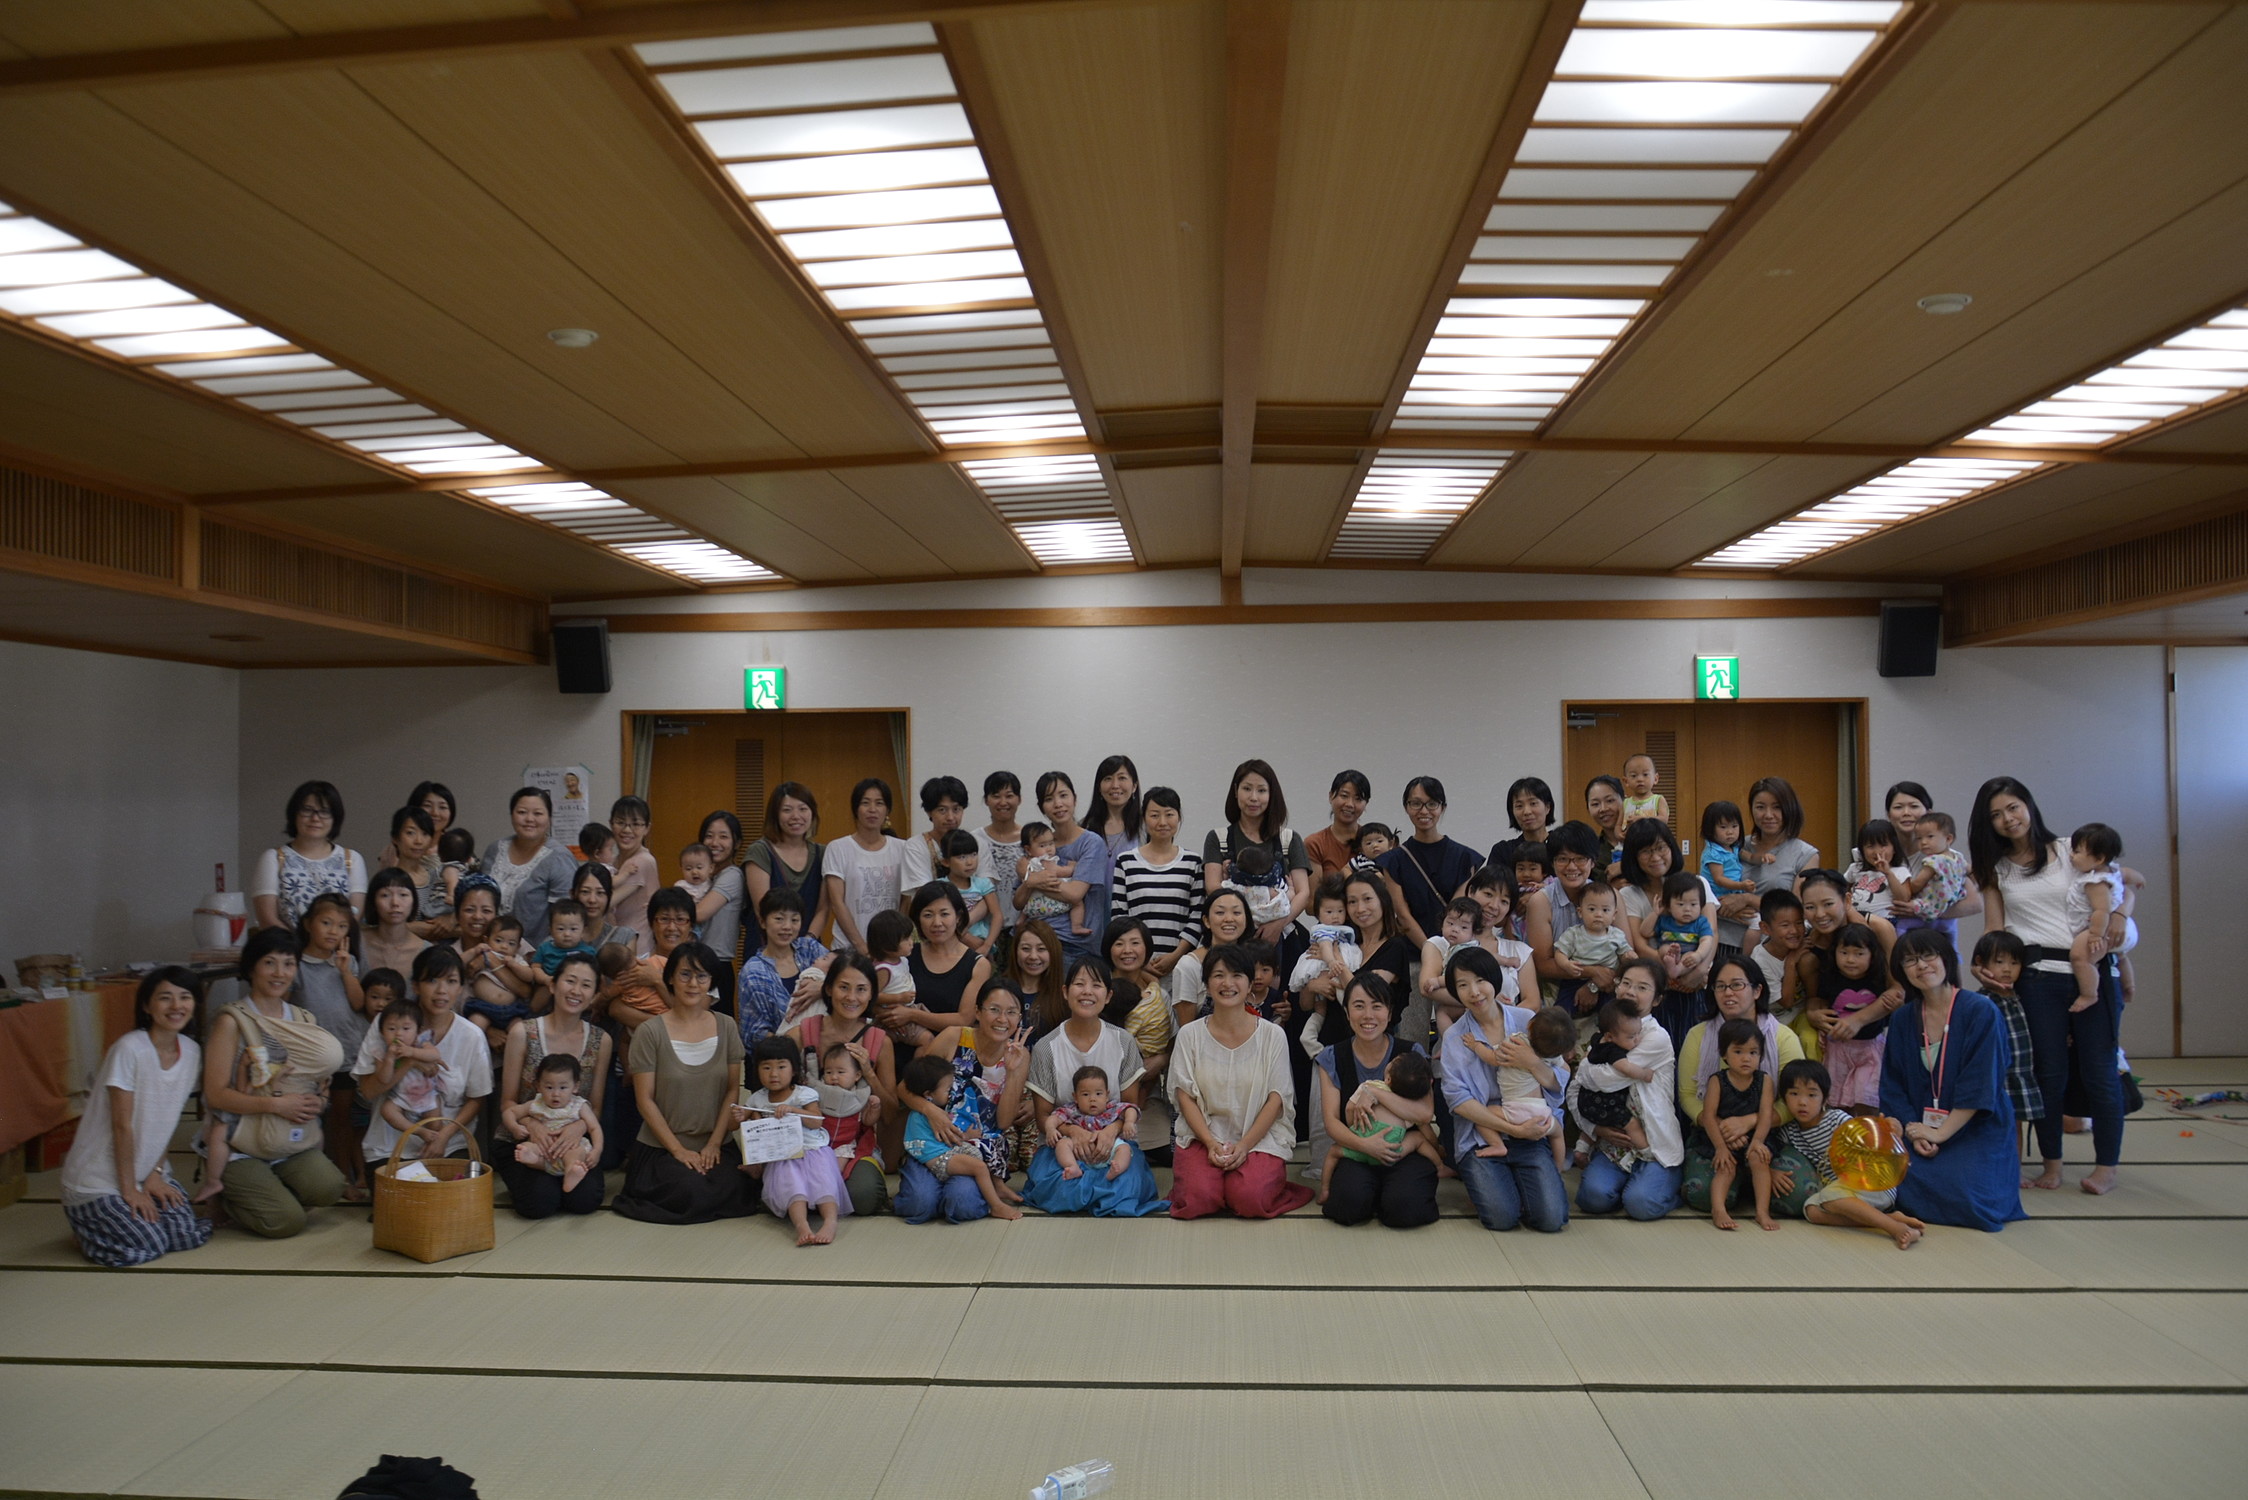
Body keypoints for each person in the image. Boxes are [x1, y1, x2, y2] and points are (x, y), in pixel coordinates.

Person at [199, 927, 348, 1237]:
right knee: (286, 1222)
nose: (280, 973)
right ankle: (230, 1195)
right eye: (269, 963)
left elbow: (318, 1083)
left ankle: (269, 1187)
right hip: (241, 1141)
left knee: (331, 1188)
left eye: (288, 964)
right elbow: (215, 1095)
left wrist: (319, 1101)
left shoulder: (304, 1019)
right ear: (251, 967)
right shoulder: (231, 1021)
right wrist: (276, 1105)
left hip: (290, 1141)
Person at [60, 968, 213, 1267]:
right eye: (165, 998)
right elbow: (122, 1126)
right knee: (149, 1247)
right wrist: (130, 1190)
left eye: (185, 997)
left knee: (185, 1237)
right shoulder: (129, 1049)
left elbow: (168, 1118)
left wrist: (155, 1173)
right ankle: (86, 1232)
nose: (176, 1006)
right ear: (146, 1006)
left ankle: (118, 1223)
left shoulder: (192, 1052)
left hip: (146, 1171)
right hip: (98, 1180)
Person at [1881, 927, 2027, 1231]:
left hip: (1974, 1128)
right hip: (1919, 1127)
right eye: (1910, 961)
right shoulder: (1902, 1018)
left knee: (1970, 1197)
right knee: (1883, 1176)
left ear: (1946, 958)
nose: (1921, 965)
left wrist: (1940, 1133)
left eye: (1928, 955)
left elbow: (1981, 1085)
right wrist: (1916, 1132)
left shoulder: (1981, 1011)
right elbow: (1892, 1086)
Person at [613, 942, 753, 1224]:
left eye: (702, 976)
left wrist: (714, 1144)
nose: (693, 984)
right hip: (662, 1148)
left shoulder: (727, 1026)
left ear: (711, 982)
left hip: (715, 1145)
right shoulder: (650, 1032)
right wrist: (678, 1151)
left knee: (742, 1186)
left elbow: (731, 1090)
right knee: (691, 1190)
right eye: (685, 974)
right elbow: (645, 1100)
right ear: (670, 979)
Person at [1167, 944, 1309, 1219]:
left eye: (1236, 975)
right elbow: (1184, 1095)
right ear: (1207, 984)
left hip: (1259, 1137)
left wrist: (1244, 1146)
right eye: (1218, 975)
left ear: (1250, 984)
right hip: (1203, 1136)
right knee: (1197, 1199)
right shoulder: (1190, 1035)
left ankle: (1243, 1183)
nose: (1227, 983)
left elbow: (1277, 1098)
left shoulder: (1272, 1035)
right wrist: (1210, 1143)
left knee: (1250, 1199)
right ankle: (1217, 1182)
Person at [1024, 957, 1168, 1215]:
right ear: (1066, 992)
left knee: (1126, 1187)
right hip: (1064, 1146)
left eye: (1096, 985)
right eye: (1079, 984)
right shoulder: (1047, 1047)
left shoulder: (1123, 1041)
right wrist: (1074, 1132)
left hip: (1113, 1142)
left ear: (1108, 995)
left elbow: (1130, 1105)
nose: (1087, 992)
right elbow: (1043, 1116)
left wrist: (1110, 1132)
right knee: (1063, 1188)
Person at [1439, 947, 1567, 1233]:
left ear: (1495, 980)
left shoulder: (1526, 1020)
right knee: (1501, 1218)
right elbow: (1459, 1101)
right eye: (1463, 985)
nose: (1474, 992)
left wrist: (1533, 1063)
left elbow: (1560, 1076)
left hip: (1532, 1130)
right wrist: (1514, 1130)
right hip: (1483, 1137)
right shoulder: (1456, 1037)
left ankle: (1525, 1181)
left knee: (1550, 1219)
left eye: (1480, 980)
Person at [1676, 957, 1814, 1219]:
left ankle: (1752, 1174)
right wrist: (1723, 1128)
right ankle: (1748, 1177)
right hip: (1713, 1136)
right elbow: (1687, 1095)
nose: (1728, 993)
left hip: (1769, 1134)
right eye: (1720, 986)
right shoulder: (1698, 1035)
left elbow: (1793, 1100)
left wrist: (1748, 1122)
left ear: (1757, 990)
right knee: (1701, 1194)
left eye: (1737, 985)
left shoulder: (1782, 1037)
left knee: (1800, 1195)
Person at [1314, 974, 1439, 1229]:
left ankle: (1390, 1193)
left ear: (1389, 1013)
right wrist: (1366, 1146)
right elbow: (1331, 1123)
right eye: (1359, 1006)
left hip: (1403, 1148)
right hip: (1358, 1148)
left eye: (1377, 1006)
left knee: (1404, 1208)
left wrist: (1377, 1093)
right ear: (1347, 1013)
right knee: (1348, 1205)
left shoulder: (1411, 1053)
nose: (1368, 1015)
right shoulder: (1332, 1056)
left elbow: (1425, 1113)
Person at [352, 945, 493, 1171]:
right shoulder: (388, 1024)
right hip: (389, 1149)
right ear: (415, 986)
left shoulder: (471, 1036)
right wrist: (410, 1061)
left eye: (451, 981)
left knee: (455, 1190)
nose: (441, 991)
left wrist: (443, 1137)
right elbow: (368, 1091)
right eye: (432, 980)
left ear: (461, 988)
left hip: (449, 1145)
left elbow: (476, 1099)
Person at [495, 951, 611, 1218]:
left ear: (594, 995)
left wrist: (578, 1127)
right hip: (524, 1139)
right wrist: (533, 1126)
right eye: (570, 981)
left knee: (584, 1200)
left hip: (573, 1141)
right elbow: (508, 1102)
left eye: (586, 985)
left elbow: (595, 1107)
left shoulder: (600, 1040)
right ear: (552, 985)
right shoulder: (523, 1032)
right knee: (540, 1202)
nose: (576, 991)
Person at [785, 953, 898, 1215]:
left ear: (871, 994)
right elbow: (772, 1081)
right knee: (785, 1191)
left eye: (861, 989)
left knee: (863, 1197)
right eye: (843, 987)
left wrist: (869, 1073)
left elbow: (891, 1114)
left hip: (853, 1144)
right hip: (806, 1139)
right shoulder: (802, 1033)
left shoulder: (880, 1041)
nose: (851, 997)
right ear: (828, 989)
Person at [1567, 974, 1686, 1220]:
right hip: (1614, 1143)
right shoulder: (1606, 1031)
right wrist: (1594, 1128)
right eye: (1626, 983)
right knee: (1592, 1199)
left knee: (1641, 1205)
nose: (1631, 991)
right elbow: (1576, 1089)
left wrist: (1587, 1067)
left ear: (1657, 999)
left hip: (1653, 1142)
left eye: (1642, 987)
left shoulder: (1655, 1036)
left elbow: (1605, 1080)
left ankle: (1663, 1187)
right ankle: (1629, 1184)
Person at [1775, 1059, 1923, 1249]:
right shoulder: (1789, 1131)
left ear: (1825, 1099)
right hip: (1842, 1194)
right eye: (1794, 1094)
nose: (1802, 1102)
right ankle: (1888, 1218)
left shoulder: (1837, 1120)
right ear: (1784, 1098)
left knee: (1829, 1195)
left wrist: (1889, 1130)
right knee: (1811, 1211)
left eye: (1812, 1095)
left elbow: (1873, 1143)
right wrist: (1773, 1172)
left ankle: (1895, 1228)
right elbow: (1774, 1153)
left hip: (1871, 1183)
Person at [1793, 871, 1901, 1110]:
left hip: (1878, 1030)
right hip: (1839, 1039)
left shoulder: (1879, 929)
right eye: (1810, 907)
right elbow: (1815, 998)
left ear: (1847, 900)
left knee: (1868, 1099)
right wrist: (1813, 1013)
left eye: (1828, 904)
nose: (1820, 914)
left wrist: (1858, 1020)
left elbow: (1898, 991)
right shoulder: (1812, 950)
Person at [918, 977, 1034, 1197]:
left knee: (962, 1199)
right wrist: (932, 1111)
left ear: (1019, 1018)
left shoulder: (1020, 1055)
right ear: (978, 1012)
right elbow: (907, 1088)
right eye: (994, 1009)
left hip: (980, 1151)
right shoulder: (954, 1037)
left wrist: (1011, 1072)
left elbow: (1004, 1122)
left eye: (1011, 1012)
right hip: (936, 1138)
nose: (1002, 1019)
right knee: (920, 1200)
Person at [738, 1035, 850, 1244]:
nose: (774, 1074)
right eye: (766, 1068)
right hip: (783, 1156)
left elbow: (816, 1121)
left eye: (781, 1067)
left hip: (813, 1151)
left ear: (794, 1070)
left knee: (823, 1183)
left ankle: (830, 1221)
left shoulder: (804, 1094)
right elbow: (742, 1126)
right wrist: (739, 1115)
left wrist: (793, 1110)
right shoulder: (757, 1099)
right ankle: (802, 1226)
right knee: (792, 1187)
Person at [898, 1053, 1024, 1221]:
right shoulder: (922, 1116)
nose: (951, 1093)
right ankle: (996, 1205)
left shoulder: (940, 1107)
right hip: (940, 1159)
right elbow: (945, 1138)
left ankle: (998, 1186)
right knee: (979, 1167)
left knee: (988, 1146)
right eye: (947, 1090)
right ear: (929, 1094)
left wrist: (968, 1136)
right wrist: (966, 1136)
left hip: (947, 1152)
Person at [1201, 759, 1310, 945]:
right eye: (1247, 789)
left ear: (1271, 794)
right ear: (1235, 791)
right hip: (1231, 937)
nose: (1253, 797)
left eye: (1261, 790)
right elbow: (1213, 888)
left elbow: (1303, 892)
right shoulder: (1218, 838)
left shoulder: (1289, 839)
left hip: (1280, 938)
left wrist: (1278, 924)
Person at [1716, 777, 1821, 953]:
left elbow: (1796, 908)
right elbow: (1709, 887)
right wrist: (1725, 908)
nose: (1768, 815)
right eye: (1760, 807)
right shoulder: (1735, 845)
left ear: (1789, 809)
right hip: (1722, 939)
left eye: (1777, 807)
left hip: (1770, 948)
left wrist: (1747, 899)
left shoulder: (1805, 854)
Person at [1375, 775, 1481, 947]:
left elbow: (1457, 914)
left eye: (1432, 804)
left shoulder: (1465, 858)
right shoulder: (1393, 861)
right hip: (1411, 952)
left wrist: (1444, 952)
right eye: (1416, 803)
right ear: (1406, 807)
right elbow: (1402, 915)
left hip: (1454, 950)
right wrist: (1431, 951)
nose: (1424, 811)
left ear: (1443, 808)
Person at [1320, 1050, 1444, 1196]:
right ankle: (1440, 1166)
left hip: (1362, 1144)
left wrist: (1355, 1128)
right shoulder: (1408, 1104)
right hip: (1392, 1152)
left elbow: (1349, 1109)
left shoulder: (1371, 1086)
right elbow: (1426, 1131)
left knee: (1333, 1152)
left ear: (1388, 1079)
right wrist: (1436, 1146)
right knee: (1418, 1139)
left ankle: (1325, 1189)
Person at [249, 780, 368, 930]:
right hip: (286, 943)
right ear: (294, 814)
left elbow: (355, 916)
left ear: (335, 818)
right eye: (307, 810)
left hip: (338, 944)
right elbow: (267, 919)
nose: (315, 818)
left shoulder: (351, 859)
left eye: (324, 812)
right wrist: (301, 944)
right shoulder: (273, 858)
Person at [1114, 786, 1203, 985]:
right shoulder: (1126, 861)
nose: (1162, 822)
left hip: (1181, 966)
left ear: (1179, 817)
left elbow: (1197, 915)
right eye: (1154, 815)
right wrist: (1141, 960)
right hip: (1135, 967)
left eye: (1169, 814)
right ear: (1144, 818)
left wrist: (1176, 955)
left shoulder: (1193, 862)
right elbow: (1119, 916)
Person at [1017, 771, 1109, 961]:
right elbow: (1019, 901)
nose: (1058, 804)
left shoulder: (1091, 843)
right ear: (1042, 807)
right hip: (1034, 941)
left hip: (1074, 946)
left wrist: (1035, 879)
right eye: (1049, 799)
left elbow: (1074, 894)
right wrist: (1029, 880)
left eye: (1063, 795)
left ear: (1074, 799)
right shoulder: (1038, 845)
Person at [1698, 1017, 1778, 1231]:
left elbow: (1766, 1115)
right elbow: (1708, 1116)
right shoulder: (1717, 1080)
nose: (1746, 1058)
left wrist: (1758, 1141)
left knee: (1759, 1159)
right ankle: (1718, 1210)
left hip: (1755, 1134)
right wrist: (1721, 1147)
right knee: (1726, 1167)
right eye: (1738, 1051)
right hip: (1721, 1136)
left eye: (1753, 1052)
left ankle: (1762, 1212)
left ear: (1761, 1055)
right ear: (1724, 1054)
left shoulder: (1764, 1080)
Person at [480, 787, 578, 948]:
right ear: (512, 815)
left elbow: (566, 918)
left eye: (538, 813)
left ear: (549, 818)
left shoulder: (559, 858)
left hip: (536, 953)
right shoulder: (495, 849)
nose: (529, 819)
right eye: (522, 812)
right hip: (488, 946)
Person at [1969, 930, 2045, 1133]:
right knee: (1997, 1125)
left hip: (2021, 1072)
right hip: (1998, 1075)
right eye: (1999, 962)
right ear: (1981, 962)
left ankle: (2016, 1156)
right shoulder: (1982, 1002)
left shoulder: (2021, 997)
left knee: (2015, 1123)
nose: (2007, 969)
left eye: (2014, 963)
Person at [738, 887, 831, 1047]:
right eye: (779, 919)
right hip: (780, 1055)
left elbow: (845, 975)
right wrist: (793, 1046)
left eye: (794, 920)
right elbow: (753, 1033)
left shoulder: (809, 949)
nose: (787, 926)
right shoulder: (753, 972)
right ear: (763, 922)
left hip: (825, 1044)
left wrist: (823, 988)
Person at [825, 779, 908, 953]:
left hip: (889, 950)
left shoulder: (902, 848)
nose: (872, 809)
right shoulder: (838, 848)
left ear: (887, 810)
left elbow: (906, 899)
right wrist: (862, 947)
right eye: (865, 803)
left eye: (879, 803)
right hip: (847, 950)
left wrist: (893, 940)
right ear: (855, 808)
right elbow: (837, 903)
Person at [504, 1055, 601, 1193]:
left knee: (576, 1153)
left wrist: (597, 1150)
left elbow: (594, 1128)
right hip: (544, 1151)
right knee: (525, 1148)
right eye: (549, 1087)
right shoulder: (536, 1104)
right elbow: (510, 1112)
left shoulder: (579, 1105)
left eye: (563, 1087)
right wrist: (514, 1127)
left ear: (575, 1087)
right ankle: (534, 1161)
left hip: (570, 1148)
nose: (556, 1094)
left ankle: (571, 1173)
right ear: (538, 1086)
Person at [744, 782, 828, 942]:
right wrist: (785, 948)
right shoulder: (760, 851)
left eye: (803, 809)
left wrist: (807, 942)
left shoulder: (823, 854)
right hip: (766, 944)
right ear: (775, 815)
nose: (796, 816)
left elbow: (823, 909)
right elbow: (762, 909)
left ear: (812, 813)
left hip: (808, 945)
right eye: (787, 810)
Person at [2065, 822, 2126, 1010]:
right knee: (2121, 956)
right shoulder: (2111, 871)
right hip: (2099, 926)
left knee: (2079, 958)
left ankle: (2089, 994)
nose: (2071, 855)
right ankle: (2129, 986)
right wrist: (2139, 879)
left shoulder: (2095, 882)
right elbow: (2129, 874)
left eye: (2077, 852)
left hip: (2096, 927)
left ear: (2099, 859)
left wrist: (2095, 935)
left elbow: (2101, 910)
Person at [1886, 810, 1972, 941]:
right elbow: (1971, 872)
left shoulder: (1933, 861)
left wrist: (1904, 885)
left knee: (1902, 924)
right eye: (1919, 838)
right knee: (1951, 937)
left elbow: (1917, 885)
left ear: (1948, 839)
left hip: (1929, 907)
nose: (1923, 842)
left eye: (1930, 837)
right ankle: (1954, 952)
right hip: (1949, 908)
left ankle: (1899, 947)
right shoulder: (1958, 857)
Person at [1082, 753, 1144, 934]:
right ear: (1099, 787)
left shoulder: (1145, 828)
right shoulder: (1085, 829)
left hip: (1133, 920)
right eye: (1108, 779)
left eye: (1122, 778)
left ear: (1134, 786)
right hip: (1090, 920)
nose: (1115, 785)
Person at [1553, 881, 1632, 1014]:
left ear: (1614, 915)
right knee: (1560, 1012)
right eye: (1591, 909)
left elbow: (1625, 954)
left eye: (1605, 910)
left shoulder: (1617, 935)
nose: (1598, 914)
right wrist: (1566, 964)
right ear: (1580, 912)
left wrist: (1629, 956)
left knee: (1613, 1013)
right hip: (1575, 981)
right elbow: (1560, 953)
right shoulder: (1573, 933)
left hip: (1609, 983)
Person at [1048, 1063, 1136, 1180]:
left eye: (1098, 1094)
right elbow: (1054, 1117)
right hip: (1078, 1152)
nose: (1092, 1099)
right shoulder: (1071, 1110)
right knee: (1062, 1145)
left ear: (1107, 1095)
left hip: (1109, 1150)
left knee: (1124, 1148)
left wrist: (1129, 1122)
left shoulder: (1111, 1108)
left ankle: (1117, 1168)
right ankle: (1073, 1167)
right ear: (1075, 1097)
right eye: (1085, 1094)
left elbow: (1130, 1109)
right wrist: (1050, 1129)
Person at [691, 810, 750, 985]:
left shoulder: (732, 875)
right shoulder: (704, 877)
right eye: (709, 836)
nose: (714, 843)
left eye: (723, 837)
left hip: (716, 963)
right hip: (696, 960)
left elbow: (700, 913)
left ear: (736, 843)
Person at [973, 771, 1026, 939]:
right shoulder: (974, 840)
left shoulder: (1031, 839)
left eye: (1009, 796)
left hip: (1023, 928)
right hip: (982, 929)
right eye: (996, 796)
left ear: (1019, 799)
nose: (1003, 802)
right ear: (986, 800)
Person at [898, 775, 971, 894]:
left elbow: (986, 891)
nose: (950, 817)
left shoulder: (975, 843)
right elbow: (925, 893)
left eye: (956, 809)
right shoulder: (916, 846)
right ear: (929, 812)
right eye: (942, 810)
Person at [606, 796, 659, 953]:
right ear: (611, 824)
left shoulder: (642, 861)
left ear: (647, 828)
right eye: (620, 822)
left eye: (635, 824)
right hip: (616, 943)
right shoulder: (614, 861)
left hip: (637, 947)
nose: (627, 830)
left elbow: (603, 904)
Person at [362, 867, 431, 987]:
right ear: (373, 901)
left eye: (403, 895)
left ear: (414, 901)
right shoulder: (356, 942)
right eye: (385, 895)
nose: (395, 903)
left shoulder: (426, 952)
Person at [1646, 872, 1717, 988]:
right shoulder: (1665, 921)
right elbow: (1645, 932)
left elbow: (1707, 940)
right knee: (1664, 949)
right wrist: (1655, 914)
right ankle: (1674, 961)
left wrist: (1698, 955)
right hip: (1669, 959)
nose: (1687, 909)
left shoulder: (1701, 922)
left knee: (1689, 956)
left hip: (1689, 958)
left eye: (1693, 904)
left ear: (1701, 905)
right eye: (1680, 904)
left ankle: (1676, 969)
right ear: (1668, 906)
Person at [937, 829, 1001, 954]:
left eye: (974, 854)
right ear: (946, 862)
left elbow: (997, 915)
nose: (970, 862)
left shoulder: (983, 884)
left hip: (981, 944)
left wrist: (987, 945)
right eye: (962, 857)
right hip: (950, 946)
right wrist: (965, 937)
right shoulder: (940, 886)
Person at [1015, 821, 1085, 935]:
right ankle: (1076, 926)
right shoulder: (1046, 861)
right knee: (1078, 903)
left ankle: (1021, 919)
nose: (1049, 849)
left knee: (1027, 898)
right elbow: (1061, 872)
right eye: (1042, 846)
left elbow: (1023, 878)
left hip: (1032, 907)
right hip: (1050, 904)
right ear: (1028, 849)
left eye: (1051, 843)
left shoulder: (1025, 863)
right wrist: (1072, 867)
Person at [1306, 769, 1372, 878]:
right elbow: (1315, 889)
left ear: (1366, 804)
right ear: (1331, 796)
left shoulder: (1374, 840)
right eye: (1344, 796)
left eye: (1358, 799)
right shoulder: (1315, 844)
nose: (1350, 804)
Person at [1844, 818, 1907, 920]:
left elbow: (1904, 899)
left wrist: (1888, 873)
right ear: (1862, 850)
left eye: (1883, 845)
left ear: (1894, 847)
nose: (1877, 851)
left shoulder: (1900, 871)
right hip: (1855, 919)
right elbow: (1841, 887)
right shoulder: (1855, 868)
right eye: (1870, 846)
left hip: (1885, 920)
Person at [570, 861, 636, 954]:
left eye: (600, 893)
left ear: (609, 896)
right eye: (585, 892)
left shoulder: (624, 937)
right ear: (573, 894)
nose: (592, 900)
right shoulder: (560, 938)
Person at [1490, 776, 1557, 868]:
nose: (1527, 812)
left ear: (1547, 807)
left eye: (1533, 803)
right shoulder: (1503, 851)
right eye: (1519, 806)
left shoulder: (1561, 847)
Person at [1699, 800, 1755, 899]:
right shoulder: (1713, 853)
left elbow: (1750, 857)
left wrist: (1763, 857)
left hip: (1733, 893)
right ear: (1710, 829)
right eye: (1723, 827)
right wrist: (1741, 885)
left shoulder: (1734, 847)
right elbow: (1719, 879)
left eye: (1734, 826)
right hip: (1717, 897)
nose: (1730, 832)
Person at [1583, 774, 1629, 870]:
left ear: (1625, 801)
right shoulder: (1591, 850)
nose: (1603, 809)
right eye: (1595, 804)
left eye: (1610, 801)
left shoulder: (1645, 837)